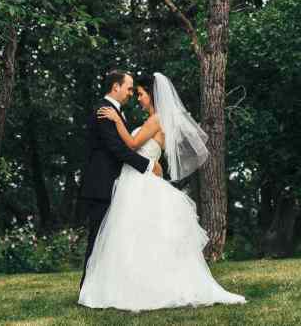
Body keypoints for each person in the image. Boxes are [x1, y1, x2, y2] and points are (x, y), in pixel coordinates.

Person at [78, 72, 246, 311]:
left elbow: (132, 145)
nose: (136, 96)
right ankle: (123, 285)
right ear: (116, 87)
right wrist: (148, 162)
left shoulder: (156, 120)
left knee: (137, 236)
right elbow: (129, 148)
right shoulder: (146, 118)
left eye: (141, 93)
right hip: (131, 180)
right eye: (132, 91)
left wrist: (118, 122)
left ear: (152, 95)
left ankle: (142, 287)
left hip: (138, 182)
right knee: (131, 237)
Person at [77, 70, 162, 289]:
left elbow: (127, 145)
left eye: (136, 90)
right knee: (97, 239)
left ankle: (106, 288)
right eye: (129, 87)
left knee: (110, 238)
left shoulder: (117, 113)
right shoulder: (104, 112)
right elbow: (118, 149)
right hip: (101, 185)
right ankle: (88, 289)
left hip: (117, 184)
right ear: (116, 87)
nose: (131, 93)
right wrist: (148, 165)